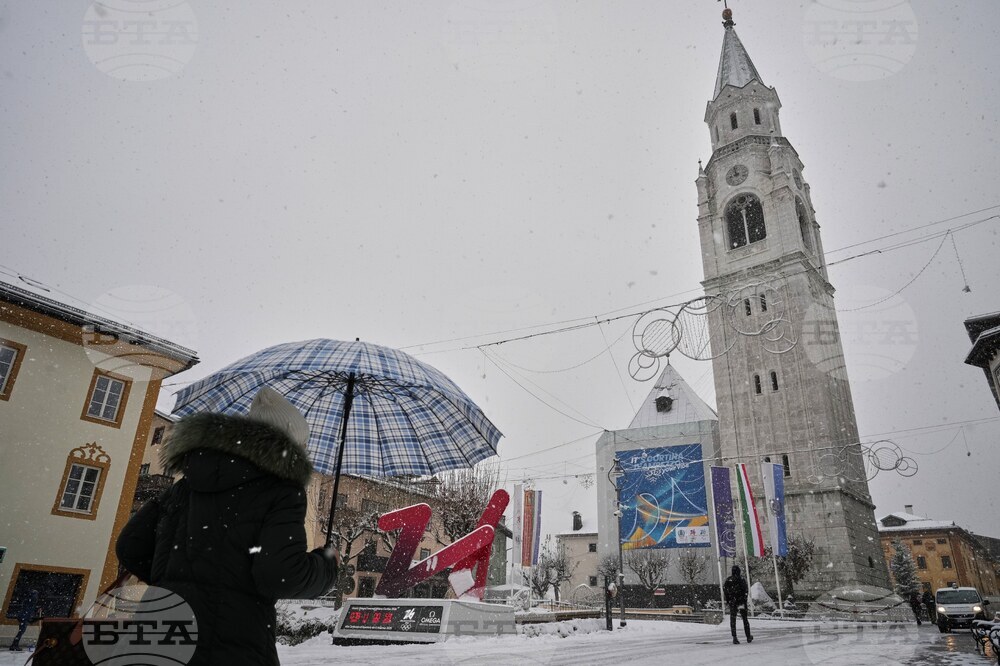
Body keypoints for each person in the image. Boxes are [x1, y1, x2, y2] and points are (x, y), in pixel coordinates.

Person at [116, 387, 338, 666]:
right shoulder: (281, 492)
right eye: (303, 445)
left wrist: (178, 582)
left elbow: (130, 546)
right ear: (289, 444)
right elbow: (281, 575)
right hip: (232, 643)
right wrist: (327, 563)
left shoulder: (186, 485)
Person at [723, 565, 753, 645]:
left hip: (733, 603)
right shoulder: (742, 579)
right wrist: (744, 600)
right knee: (745, 620)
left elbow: (725, 591)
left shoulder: (728, 580)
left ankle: (734, 637)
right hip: (741, 602)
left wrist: (729, 601)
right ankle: (748, 636)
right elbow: (746, 591)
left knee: (733, 620)